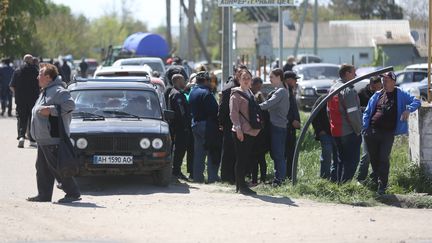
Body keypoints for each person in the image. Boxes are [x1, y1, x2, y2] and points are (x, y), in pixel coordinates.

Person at [27, 63, 81, 203]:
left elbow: (70, 105)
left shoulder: (58, 91)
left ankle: (73, 194)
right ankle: (44, 195)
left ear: (49, 77)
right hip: (43, 139)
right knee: (42, 169)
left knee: (59, 168)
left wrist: (51, 110)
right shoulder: (45, 91)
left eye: (40, 74)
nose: (37, 76)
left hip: (53, 139)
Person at [362, 71, 420, 194]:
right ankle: (375, 182)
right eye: (383, 80)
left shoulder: (400, 93)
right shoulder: (378, 94)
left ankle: (382, 186)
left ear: (393, 81)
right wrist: (365, 128)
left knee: (383, 158)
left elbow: (417, 101)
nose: (384, 82)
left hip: (387, 133)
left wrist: (408, 110)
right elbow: (367, 112)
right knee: (374, 159)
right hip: (371, 132)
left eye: (386, 80)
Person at [327, 64, 362, 183]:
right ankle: (345, 186)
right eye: (353, 72)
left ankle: (338, 185)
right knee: (352, 161)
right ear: (347, 74)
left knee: (341, 160)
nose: (355, 75)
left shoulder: (333, 88)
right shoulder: (348, 90)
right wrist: (358, 130)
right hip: (348, 132)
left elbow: (328, 112)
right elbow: (353, 115)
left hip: (336, 131)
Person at [229, 69, 261, 195]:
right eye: (244, 78)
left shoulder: (249, 92)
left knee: (245, 158)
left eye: (248, 78)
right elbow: (233, 113)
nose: (246, 80)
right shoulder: (236, 94)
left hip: (250, 131)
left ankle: (240, 185)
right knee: (241, 159)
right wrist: (238, 129)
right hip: (241, 131)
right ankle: (241, 186)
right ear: (239, 80)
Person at [259, 68, 290, 186]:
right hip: (279, 126)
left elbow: (268, 105)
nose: (270, 79)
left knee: (278, 154)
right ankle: (279, 178)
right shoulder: (281, 90)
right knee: (278, 154)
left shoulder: (280, 92)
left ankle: (280, 179)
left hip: (277, 126)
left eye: (271, 77)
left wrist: (254, 106)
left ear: (278, 77)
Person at [218, 65, 248, 184]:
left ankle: (233, 176)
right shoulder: (230, 88)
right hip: (230, 123)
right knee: (229, 151)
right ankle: (227, 177)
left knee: (235, 151)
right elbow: (224, 108)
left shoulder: (240, 87)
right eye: (240, 74)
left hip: (238, 123)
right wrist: (221, 122)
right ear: (236, 74)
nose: (243, 76)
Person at [189, 71, 220, 183]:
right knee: (212, 151)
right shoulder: (206, 93)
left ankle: (198, 178)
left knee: (199, 153)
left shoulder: (193, 92)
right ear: (206, 81)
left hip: (195, 124)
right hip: (207, 125)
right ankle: (212, 177)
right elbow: (214, 110)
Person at [9, 54, 40, 148]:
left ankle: (21, 137)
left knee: (21, 118)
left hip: (20, 100)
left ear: (23, 60)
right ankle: (32, 140)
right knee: (32, 118)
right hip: (33, 99)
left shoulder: (17, 70)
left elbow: (11, 86)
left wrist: (17, 94)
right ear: (31, 60)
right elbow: (40, 85)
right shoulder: (35, 71)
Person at [357, 76, 383, 182]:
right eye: (376, 87)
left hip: (379, 128)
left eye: (379, 87)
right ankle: (360, 178)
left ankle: (375, 179)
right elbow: (357, 108)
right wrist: (369, 109)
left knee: (378, 154)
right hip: (366, 127)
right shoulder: (361, 93)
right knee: (367, 155)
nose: (378, 89)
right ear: (371, 85)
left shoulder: (383, 93)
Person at [168, 74, 192, 180]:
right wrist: (186, 125)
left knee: (179, 150)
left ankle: (176, 170)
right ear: (177, 81)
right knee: (179, 150)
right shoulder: (176, 94)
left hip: (178, 127)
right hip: (180, 128)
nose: (185, 82)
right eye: (183, 80)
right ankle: (176, 171)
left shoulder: (175, 92)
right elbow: (181, 112)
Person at [312, 95, 339, 181]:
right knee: (326, 154)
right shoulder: (323, 99)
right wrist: (319, 130)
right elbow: (314, 114)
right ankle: (324, 178)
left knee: (337, 157)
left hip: (337, 133)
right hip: (325, 133)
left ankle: (335, 178)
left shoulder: (341, 99)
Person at [250, 76, 268, 184]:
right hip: (263, 134)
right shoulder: (265, 109)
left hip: (255, 133)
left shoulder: (254, 106)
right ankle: (263, 179)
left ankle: (254, 179)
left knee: (254, 159)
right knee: (261, 159)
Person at [284, 71, 301, 180]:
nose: (296, 82)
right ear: (288, 80)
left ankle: (290, 175)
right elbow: (284, 110)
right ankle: (287, 176)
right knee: (287, 154)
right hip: (287, 128)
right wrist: (292, 121)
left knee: (291, 154)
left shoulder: (290, 91)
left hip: (291, 128)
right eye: (294, 79)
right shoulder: (285, 92)